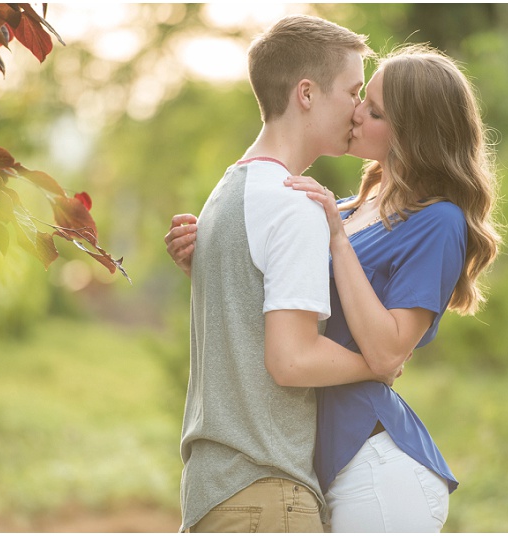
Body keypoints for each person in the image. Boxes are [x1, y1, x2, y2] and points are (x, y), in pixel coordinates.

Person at [167, 44, 502, 533]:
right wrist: (212, 259)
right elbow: (287, 306)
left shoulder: (438, 222)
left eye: (375, 109)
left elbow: (388, 351)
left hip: (374, 463)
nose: (356, 112)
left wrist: (338, 242)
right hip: (312, 465)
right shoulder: (345, 207)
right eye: (361, 96)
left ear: (412, 133)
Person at [166, 15, 406, 533]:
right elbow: (292, 360)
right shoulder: (295, 204)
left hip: (215, 492)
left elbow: (248, 328)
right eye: (352, 90)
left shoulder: (226, 193)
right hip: (267, 496)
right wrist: (376, 363)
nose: (359, 109)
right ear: (306, 94)